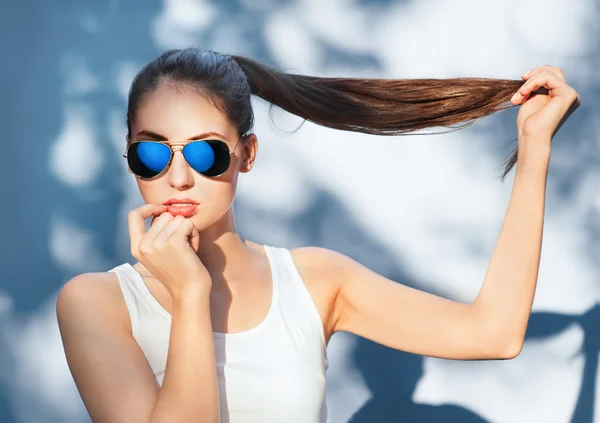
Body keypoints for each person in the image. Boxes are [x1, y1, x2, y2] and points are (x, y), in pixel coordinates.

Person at [55, 48, 580, 423]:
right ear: (129, 153)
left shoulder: (313, 279)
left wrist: (534, 151)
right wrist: (192, 294)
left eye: (204, 152)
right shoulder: (96, 302)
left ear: (248, 154)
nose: (178, 177)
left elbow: (493, 333)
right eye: (151, 152)